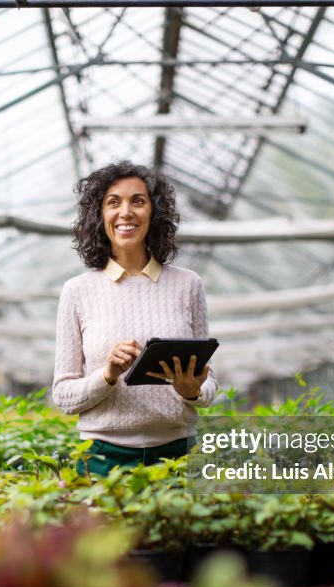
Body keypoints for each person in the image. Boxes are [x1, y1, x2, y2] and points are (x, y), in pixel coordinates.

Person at [52, 160, 218, 476]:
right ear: (99, 216)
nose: (125, 212)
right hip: (101, 458)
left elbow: (210, 382)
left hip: (177, 457)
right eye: (113, 202)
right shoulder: (78, 291)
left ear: (154, 213)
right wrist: (108, 374)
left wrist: (191, 390)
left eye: (137, 201)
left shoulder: (188, 285)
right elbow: (63, 395)